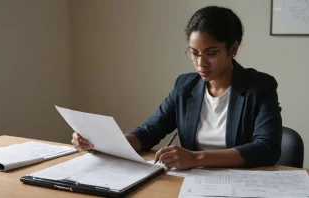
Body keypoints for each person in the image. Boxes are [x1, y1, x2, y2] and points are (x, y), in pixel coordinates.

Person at [71, 6, 282, 169]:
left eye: (211, 53)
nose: (201, 63)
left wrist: (196, 158)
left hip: (241, 184)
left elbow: (266, 148)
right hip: (191, 184)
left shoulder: (260, 87)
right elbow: (149, 131)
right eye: (194, 53)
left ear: (233, 49)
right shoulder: (185, 86)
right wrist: (102, 143)